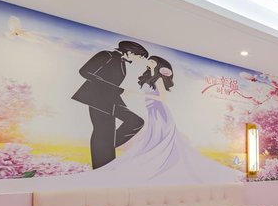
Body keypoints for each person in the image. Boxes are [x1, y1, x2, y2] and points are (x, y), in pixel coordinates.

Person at [99, 56, 240, 184]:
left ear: (158, 64)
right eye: (149, 60)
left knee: (160, 138)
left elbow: (162, 98)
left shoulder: (159, 79)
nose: (149, 62)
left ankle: (162, 168)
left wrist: (141, 95)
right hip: (152, 110)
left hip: (159, 111)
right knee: (154, 138)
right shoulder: (149, 78)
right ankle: (156, 168)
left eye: (152, 61)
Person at [72, 40, 149, 169]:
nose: (138, 60)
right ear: (130, 52)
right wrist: (119, 90)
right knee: (111, 128)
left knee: (108, 130)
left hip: (110, 99)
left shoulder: (121, 62)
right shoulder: (106, 55)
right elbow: (84, 72)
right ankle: (103, 163)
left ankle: (104, 161)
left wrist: (117, 91)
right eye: (139, 57)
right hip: (97, 99)